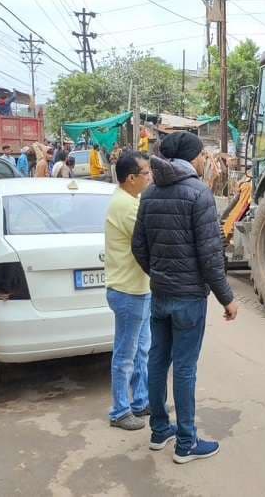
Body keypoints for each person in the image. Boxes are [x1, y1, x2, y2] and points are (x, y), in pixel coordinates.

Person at [132, 132, 237, 464]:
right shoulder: (199, 194)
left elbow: (139, 247)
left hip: (161, 295)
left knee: (157, 361)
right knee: (185, 369)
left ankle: (160, 430)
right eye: (201, 155)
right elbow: (210, 257)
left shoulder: (149, 194)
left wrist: (160, 274)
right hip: (189, 298)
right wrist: (228, 299)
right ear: (192, 159)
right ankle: (187, 443)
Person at [106, 151, 153, 431]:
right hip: (128, 291)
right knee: (125, 355)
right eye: (146, 172)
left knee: (141, 351)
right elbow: (149, 239)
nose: (150, 177)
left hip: (138, 288)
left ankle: (140, 401)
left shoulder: (130, 200)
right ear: (132, 178)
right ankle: (120, 410)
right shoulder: (127, 206)